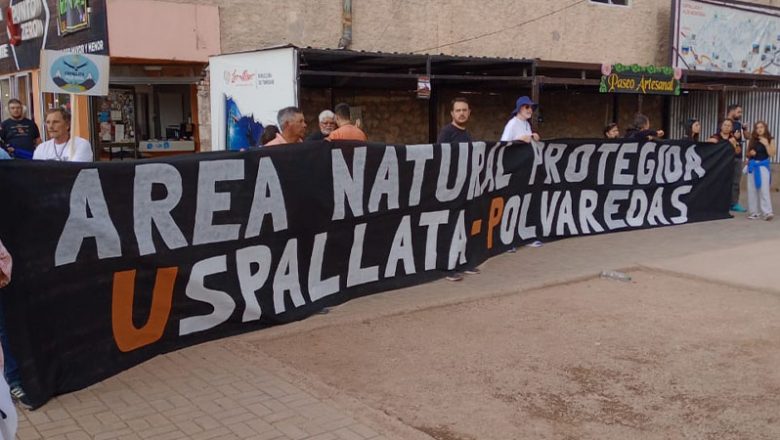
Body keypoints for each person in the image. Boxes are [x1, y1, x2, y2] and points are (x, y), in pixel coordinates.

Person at [434, 97, 480, 281]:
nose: (461, 113)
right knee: (451, 228)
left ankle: (464, 262)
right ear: (452, 113)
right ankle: (447, 268)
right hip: (450, 189)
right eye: (458, 110)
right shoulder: (446, 133)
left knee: (465, 226)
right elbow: (439, 157)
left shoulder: (468, 135)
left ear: (469, 113)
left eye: (464, 110)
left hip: (465, 188)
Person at [502, 96, 543, 249]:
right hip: (514, 172)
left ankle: (525, 237)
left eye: (531, 108)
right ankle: (508, 242)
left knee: (525, 205)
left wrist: (533, 137)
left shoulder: (526, 124)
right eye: (527, 107)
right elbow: (504, 144)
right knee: (512, 205)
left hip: (526, 171)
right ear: (520, 108)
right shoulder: (512, 124)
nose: (530, 110)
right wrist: (519, 140)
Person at [707, 118, 745, 212]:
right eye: (725, 125)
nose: (727, 127)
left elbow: (738, 151)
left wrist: (734, 143)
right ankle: (716, 202)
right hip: (719, 163)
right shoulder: (716, 136)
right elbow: (707, 143)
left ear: (731, 128)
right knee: (718, 182)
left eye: (729, 126)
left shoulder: (733, 137)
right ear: (721, 126)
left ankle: (734, 203)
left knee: (735, 183)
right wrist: (710, 141)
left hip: (733, 162)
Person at [746, 121, 776, 220]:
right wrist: (751, 153)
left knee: (764, 190)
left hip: (763, 166)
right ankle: (754, 212)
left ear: (765, 128)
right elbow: (747, 154)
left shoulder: (770, 139)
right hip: (752, 165)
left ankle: (767, 212)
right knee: (752, 190)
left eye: (761, 127)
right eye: (757, 127)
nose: (759, 129)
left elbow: (772, 153)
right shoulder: (753, 140)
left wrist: (767, 144)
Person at [726, 104, 749, 212]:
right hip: (726, 157)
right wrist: (734, 138)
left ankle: (734, 203)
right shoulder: (725, 124)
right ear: (732, 111)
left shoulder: (738, 124)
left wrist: (744, 128)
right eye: (739, 112)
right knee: (725, 180)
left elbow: (748, 137)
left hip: (738, 157)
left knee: (736, 181)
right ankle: (723, 202)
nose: (740, 114)